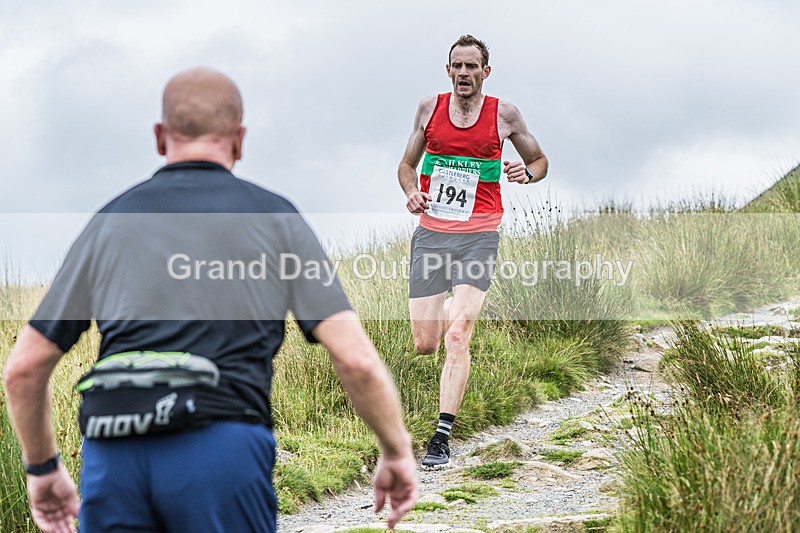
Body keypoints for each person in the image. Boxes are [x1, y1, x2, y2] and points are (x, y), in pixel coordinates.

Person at [4, 67, 417, 533]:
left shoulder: (110, 221)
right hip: (221, 446)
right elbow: (357, 362)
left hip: (112, 449)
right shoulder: (274, 218)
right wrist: (396, 449)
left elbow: (23, 369)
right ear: (239, 139)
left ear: (160, 137)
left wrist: (42, 471)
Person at [397, 35, 549, 467]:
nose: (464, 73)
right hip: (431, 235)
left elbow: (540, 160)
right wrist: (412, 192)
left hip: (480, 235)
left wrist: (527, 172)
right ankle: (450, 308)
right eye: (457, 66)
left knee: (458, 334)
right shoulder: (429, 109)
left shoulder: (505, 115)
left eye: (471, 67)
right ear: (448, 71)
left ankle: (441, 437)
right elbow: (406, 166)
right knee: (426, 343)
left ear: (486, 71)